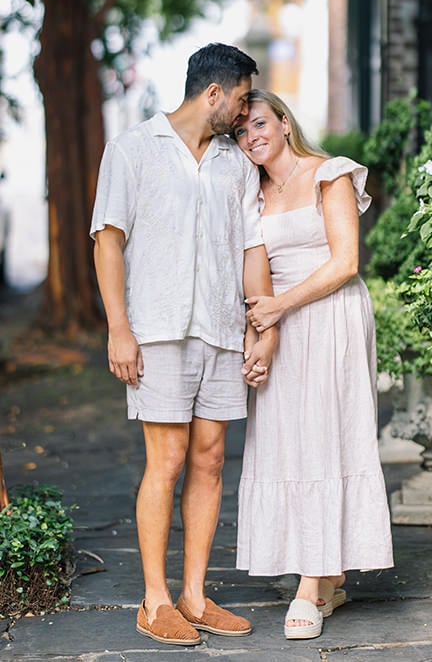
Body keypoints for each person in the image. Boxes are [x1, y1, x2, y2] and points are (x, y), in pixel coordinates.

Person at [91, 43, 272, 646]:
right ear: (213, 93)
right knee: (165, 461)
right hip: (159, 329)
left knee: (211, 460)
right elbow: (108, 240)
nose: (245, 112)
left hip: (221, 329)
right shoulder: (132, 149)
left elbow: (250, 247)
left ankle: (194, 595)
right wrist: (119, 327)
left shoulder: (235, 164)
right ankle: (155, 600)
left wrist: (259, 325)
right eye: (241, 99)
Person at [231, 89, 393, 640]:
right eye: (241, 131)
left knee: (327, 437)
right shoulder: (251, 192)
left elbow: (346, 262)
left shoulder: (330, 174)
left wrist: (280, 306)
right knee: (287, 440)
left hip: (331, 316)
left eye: (259, 123)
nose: (251, 137)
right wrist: (261, 329)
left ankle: (309, 583)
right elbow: (255, 271)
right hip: (282, 325)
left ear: (283, 121)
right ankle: (327, 576)